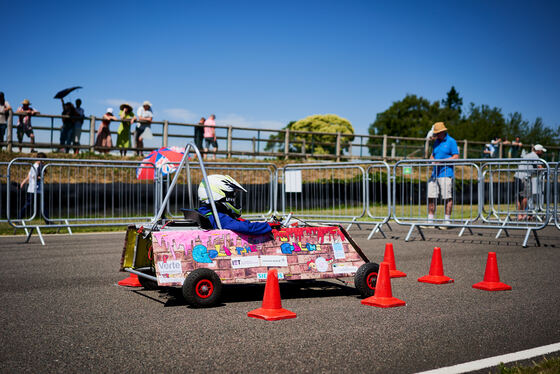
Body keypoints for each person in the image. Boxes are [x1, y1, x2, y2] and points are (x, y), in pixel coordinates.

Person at [196, 174, 277, 235]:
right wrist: (268, 226)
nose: (234, 200)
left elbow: (236, 222)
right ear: (218, 195)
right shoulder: (218, 217)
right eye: (232, 195)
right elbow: (246, 228)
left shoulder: (204, 212)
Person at [426, 122, 459, 228]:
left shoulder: (451, 141)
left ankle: (447, 221)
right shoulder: (436, 142)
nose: (436, 135)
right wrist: (432, 160)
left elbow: (456, 157)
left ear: (443, 131)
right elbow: (433, 155)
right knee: (431, 196)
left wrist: (442, 161)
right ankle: (430, 221)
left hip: (446, 173)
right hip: (434, 174)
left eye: (438, 133)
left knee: (447, 197)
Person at [515, 144, 546, 220]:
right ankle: (524, 214)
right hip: (524, 177)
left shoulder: (528, 155)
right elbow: (540, 167)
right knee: (526, 197)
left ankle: (519, 215)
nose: (542, 153)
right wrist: (546, 169)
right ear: (538, 151)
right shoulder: (534, 156)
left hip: (517, 176)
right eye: (541, 151)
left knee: (519, 197)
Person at [19, 152, 50, 224]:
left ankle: (47, 221)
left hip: (39, 190)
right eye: (43, 160)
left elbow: (29, 175)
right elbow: (32, 176)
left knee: (43, 205)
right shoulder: (35, 166)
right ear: (39, 159)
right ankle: (19, 218)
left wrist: (23, 182)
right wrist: (39, 177)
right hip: (33, 189)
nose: (44, 162)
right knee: (28, 204)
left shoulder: (40, 166)